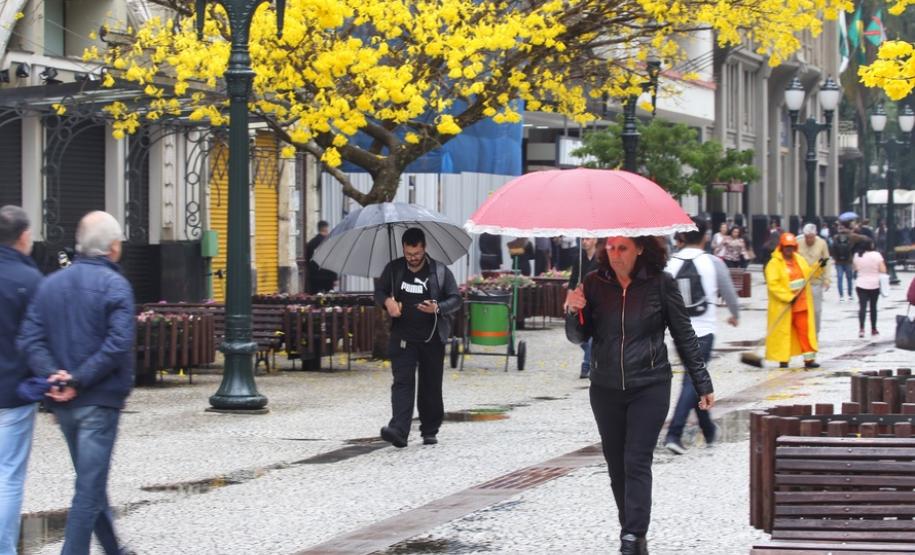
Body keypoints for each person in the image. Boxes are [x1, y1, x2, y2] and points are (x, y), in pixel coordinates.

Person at [565, 235, 714, 555]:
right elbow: (579, 335)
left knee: (636, 460)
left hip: (650, 385)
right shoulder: (592, 283)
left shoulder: (661, 283)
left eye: (623, 248)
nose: (615, 254)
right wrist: (572, 311)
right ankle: (630, 530)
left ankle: (633, 536)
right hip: (605, 388)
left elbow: (684, 333)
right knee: (616, 464)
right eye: (611, 247)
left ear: (640, 248)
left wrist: (702, 382)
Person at [18, 211, 136, 555]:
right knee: (88, 488)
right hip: (99, 400)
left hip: (65, 402)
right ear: (113, 248)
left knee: (91, 482)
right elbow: (117, 343)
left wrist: (55, 377)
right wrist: (77, 379)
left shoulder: (50, 283)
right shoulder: (116, 286)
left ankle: (114, 550)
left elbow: (30, 338)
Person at [374, 228, 462, 448]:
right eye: (408, 254)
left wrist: (437, 307)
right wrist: (388, 303)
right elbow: (379, 292)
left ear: (424, 249)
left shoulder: (440, 272)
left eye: (416, 254)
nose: (412, 259)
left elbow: (456, 299)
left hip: (432, 337)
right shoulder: (394, 269)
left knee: (430, 385)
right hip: (403, 337)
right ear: (403, 249)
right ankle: (399, 430)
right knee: (402, 383)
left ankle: (429, 429)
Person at [663, 218, 739, 455]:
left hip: (678, 331)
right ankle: (673, 434)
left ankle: (708, 429)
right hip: (704, 331)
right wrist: (735, 314)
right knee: (693, 381)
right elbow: (729, 292)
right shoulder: (713, 262)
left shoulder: (670, 264)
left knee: (693, 378)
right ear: (706, 237)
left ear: (682, 237)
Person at [0, 206, 43, 554]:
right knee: (9, 475)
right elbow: (38, 339)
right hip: (12, 392)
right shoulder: (30, 281)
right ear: (24, 236)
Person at [764, 233, 820, 368]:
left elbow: (808, 274)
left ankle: (809, 359)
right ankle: (783, 360)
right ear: (781, 247)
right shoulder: (774, 264)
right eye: (786, 247)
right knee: (784, 334)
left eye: (791, 246)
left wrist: (819, 266)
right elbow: (773, 285)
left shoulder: (799, 260)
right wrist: (788, 297)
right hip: (785, 306)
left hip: (802, 305)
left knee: (804, 332)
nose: (789, 249)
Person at [565, 237, 601, 379]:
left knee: (593, 334)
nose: (584, 242)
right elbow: (573, 280)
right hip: (580, 300)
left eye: (587, 239)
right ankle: (593, 355)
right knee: (579, 335)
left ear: (595, 240)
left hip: (596, 300)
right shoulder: (578, 258)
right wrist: (568, 300)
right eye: (583, 239)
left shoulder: (601, 258)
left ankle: (586, 365)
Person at [798, 223, 832, 335]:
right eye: (807, 237)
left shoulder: (822, 243)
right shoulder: (798, 243)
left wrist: (827, 279)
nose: (809, 240)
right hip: (801, 282)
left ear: (815, 235)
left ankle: (815, 332)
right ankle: (803, 332)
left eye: (811, 237)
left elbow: (826, 261)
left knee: (816, 310)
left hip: (815, 281)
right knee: (802, 310)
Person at [853, 240, 887, 337]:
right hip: (874, 284)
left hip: (861, 284)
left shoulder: (857, 255)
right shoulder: (877, 255)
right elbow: (883, 270)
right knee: (873, 307)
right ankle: (873, 328)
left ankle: (861, 329)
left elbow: (855, 268)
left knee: (862, 307)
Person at [830, 225, 861, 302]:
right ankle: (850, 295)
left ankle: (841, 296)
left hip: (838, 262)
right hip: (848, 261)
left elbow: (832, 249)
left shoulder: (835, 238)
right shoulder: (850, 238)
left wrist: (835, 258)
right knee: (849, 279)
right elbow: (854, 247)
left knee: (840, 279)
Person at [305, 220, 338, 293]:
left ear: (318, 228)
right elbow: (333, 261)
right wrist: (335, 277)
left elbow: (307, 260)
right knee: (329, 300)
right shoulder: (329, 243)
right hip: (328, 277)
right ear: (326, 229)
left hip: (314, 277)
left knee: (315, 300)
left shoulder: (311, 243)